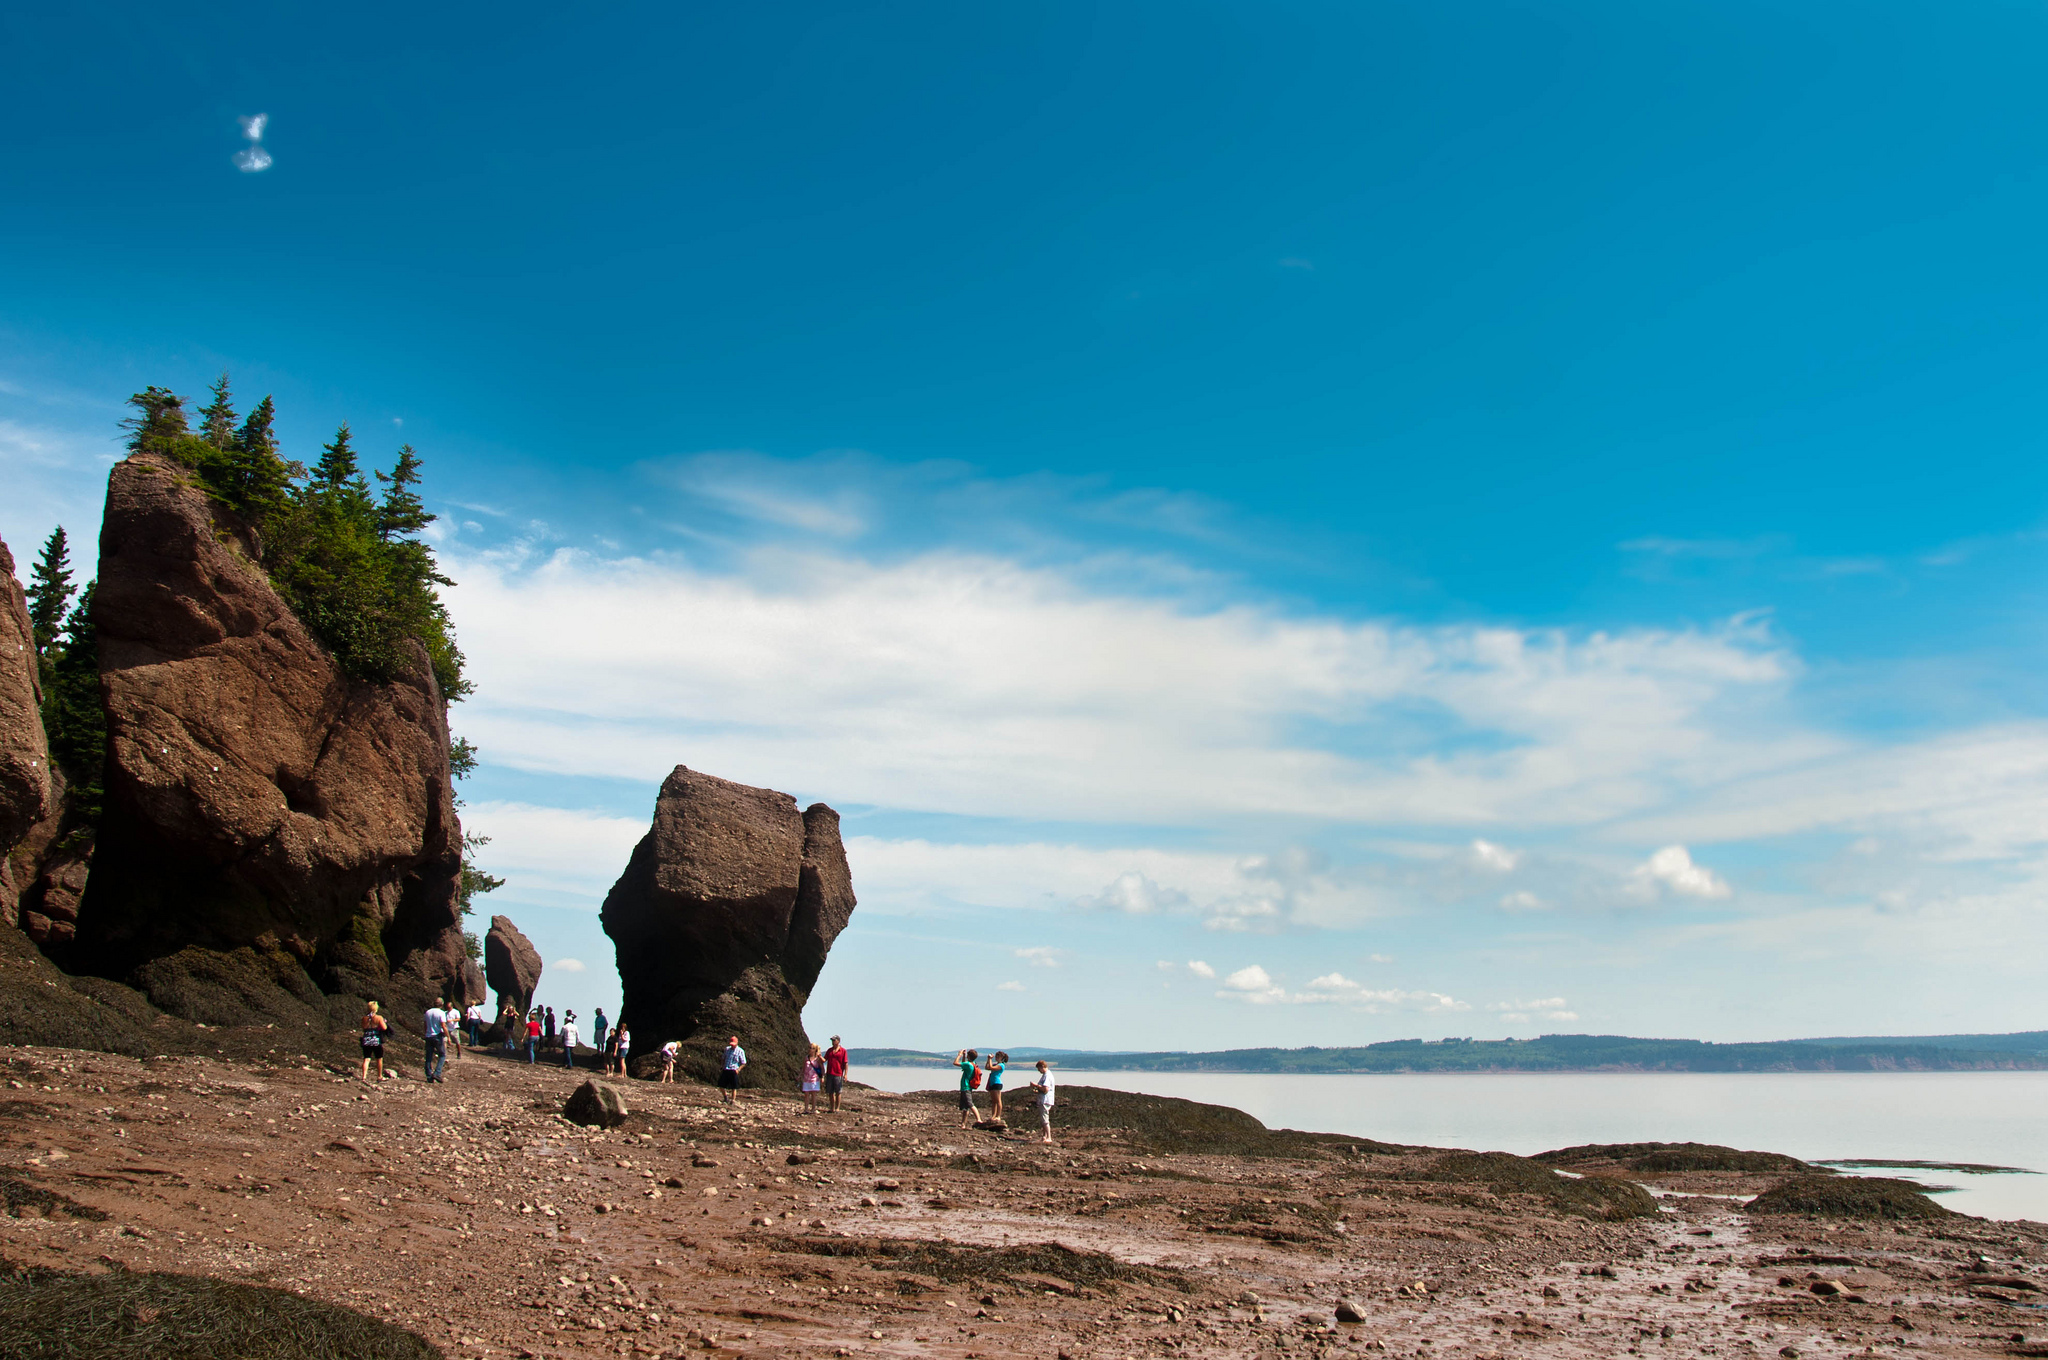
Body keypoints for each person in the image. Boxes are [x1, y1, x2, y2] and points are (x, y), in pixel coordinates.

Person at [359, 1001, 390, 1083]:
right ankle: (379, 1076)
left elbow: (363, 1027)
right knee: (379, 1058)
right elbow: (384, 1028)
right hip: (376, 1040)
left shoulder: (364, 1018)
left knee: (366, 1058)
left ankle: (364, 1076)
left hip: (366, 1040)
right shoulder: (379, 1018)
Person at [1028, 1060, 1056, 1144]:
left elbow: (1045, 1089)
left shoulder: (1047, 1076)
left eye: (1039, 1069)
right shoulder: (1046, 1075)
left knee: (1045, 1120)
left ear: (1042, 1067)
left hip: (1045, 1100)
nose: (1038, 1071)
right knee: (1043, 1119)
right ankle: (1044, 1136)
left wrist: (1036, 1085)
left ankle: (1049, 1137)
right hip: (1043, 1099)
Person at [823, 1035, 849, 1114]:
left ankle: (837, 1108)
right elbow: (825, 1059)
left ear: (838, 1041)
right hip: (830, 1073)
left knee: (838, 1092)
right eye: (832, 1041)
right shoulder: (829, 1050)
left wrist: (845, 1074)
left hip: (838, 1073)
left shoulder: (843, 1051)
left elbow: (846, 1063)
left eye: (834, 1040)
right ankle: (832, 1108)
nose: (833, 1042)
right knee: (830, 1092)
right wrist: (819, 1057)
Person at [956, 1048, 981, 1128]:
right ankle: (963, 1124)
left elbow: (955, 1063)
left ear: (969, 1056)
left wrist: (959, 1055)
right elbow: (963, 1064)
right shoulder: (973, 1063)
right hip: (966, 1087)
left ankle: (979, 1119)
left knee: (970, 1104)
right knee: (965, 1107)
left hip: (966, 1087)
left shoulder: (969, 1065)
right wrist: (963, 1055)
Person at [719, 1035, 746, 1104]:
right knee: (721, 1085)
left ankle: (733, 1100)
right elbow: (723, 1058)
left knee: (734, 1087)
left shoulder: (740, 1051)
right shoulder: (727, 1049)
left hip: (733, 1070)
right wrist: (722, 1066)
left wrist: (738, 1070)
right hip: (726, 1069)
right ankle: (725, 1097)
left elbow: (743, 1063)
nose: (732, 1046)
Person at [800, 1043, 825, 1114]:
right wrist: (800, 1075)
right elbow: (804, 1067)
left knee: (813, 1094)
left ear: (815, 1050)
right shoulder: (806, 1058)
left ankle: (813, 1109)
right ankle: (806, 1109)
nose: (811, 1049)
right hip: (806, 1078)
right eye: (810, 1048)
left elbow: (822, 1068)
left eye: (813, 1048)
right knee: (806, 1094)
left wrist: (822, 1077)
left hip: (814, 1078)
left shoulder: (817, 1059)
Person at [985, 1051, 1008, 1121]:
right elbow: (987, 1067)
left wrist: (990, 1060)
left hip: (997, 1083)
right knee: (993, 1101)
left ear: (1002, 1058)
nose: (997, 1058)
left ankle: (998, 1116)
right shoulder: (996, 1064)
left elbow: (991, 1067)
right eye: (996, 1056)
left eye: (998, 1056)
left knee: (998, 1100)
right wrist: (988, 1059)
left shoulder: (1001, 1065)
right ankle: (993, 1116)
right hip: (992, 1083)